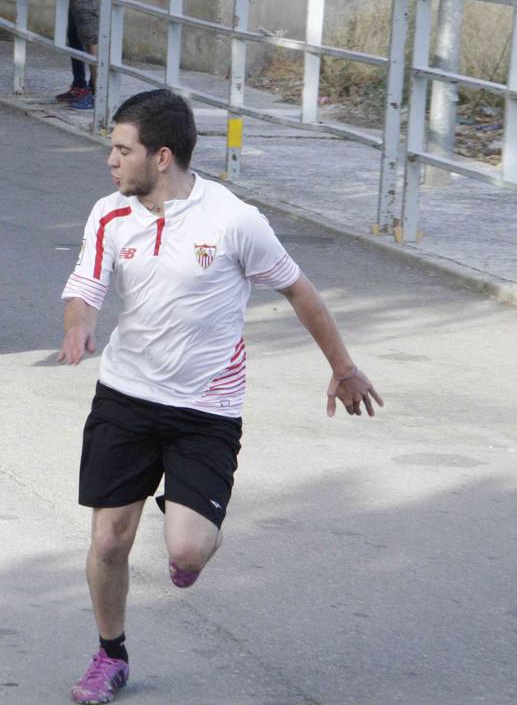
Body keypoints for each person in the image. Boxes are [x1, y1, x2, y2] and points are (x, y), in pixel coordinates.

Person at [57, 88, 383, 704]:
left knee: (187, 550)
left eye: (121, 150)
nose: (110, 161)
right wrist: (79, 321)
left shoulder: (233, 220)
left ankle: (190, 524)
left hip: (205, 410)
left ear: (160, 157)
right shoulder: (109, 213)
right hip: (126, 396)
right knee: (108, 541)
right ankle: (110, 654)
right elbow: (85, 285)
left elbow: (299, 290)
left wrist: (343, 367)